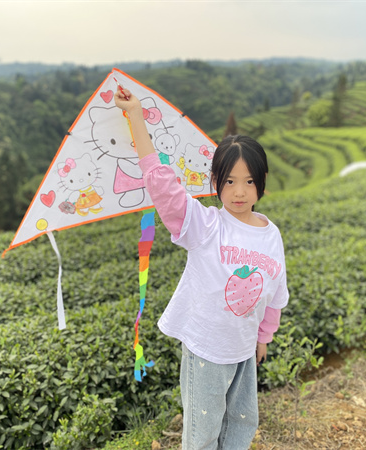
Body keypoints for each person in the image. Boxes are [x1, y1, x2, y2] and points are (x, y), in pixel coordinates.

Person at [115, 88, 288, 450]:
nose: (239, 191)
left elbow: (275, 294)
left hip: (244, 349)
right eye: (229, 181)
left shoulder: (271, 234)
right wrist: (136, 116)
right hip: (207, 351)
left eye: (249, 181)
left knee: (242, 422)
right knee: (204, 432)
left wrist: (263, 338)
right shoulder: (205, 225)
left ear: (262, 182)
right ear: (215, 182)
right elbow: (163, 187)